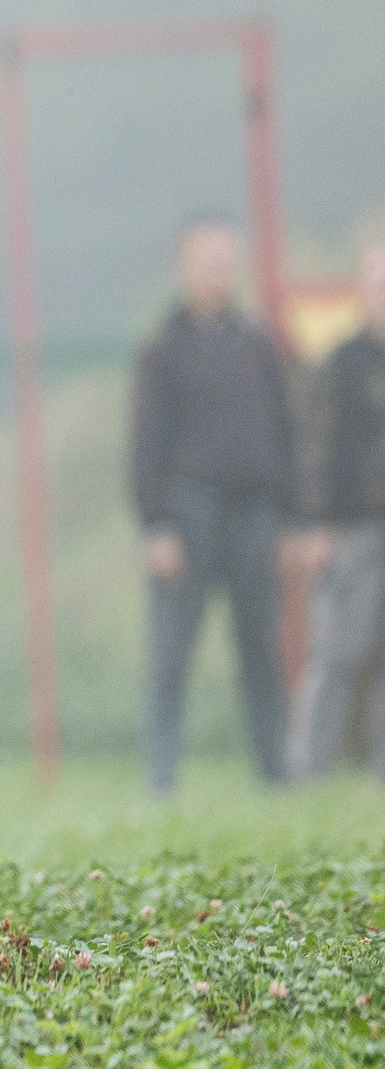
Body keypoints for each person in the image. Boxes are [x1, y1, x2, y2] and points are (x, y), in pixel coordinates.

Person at [129, 215, 296, 792]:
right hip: (187, 511)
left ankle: (276, 772)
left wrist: (290, 516)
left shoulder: (258, 346)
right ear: (184, 269)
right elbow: (146, 444)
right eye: (207, 263)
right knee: (172, 653)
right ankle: (162, 777)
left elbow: (283, 430)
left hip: (254, 512)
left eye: (227, 262)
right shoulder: (163, 350)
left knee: (261, 649)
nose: (218, 274)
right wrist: (156, 526)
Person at [286, 233, 385, 783]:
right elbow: (314, 449)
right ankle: (306, 771)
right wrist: (313, 523)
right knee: (338, 654)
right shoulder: (340, 366)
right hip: (352, 529)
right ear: (363, 291)